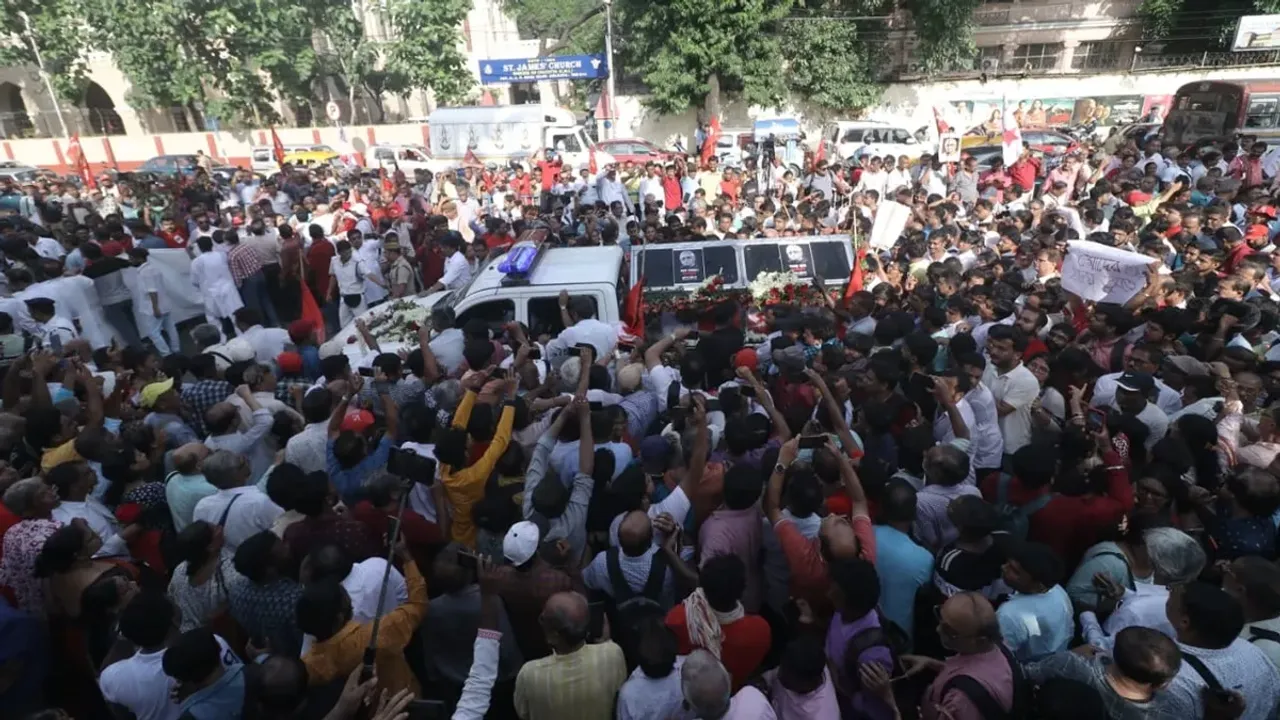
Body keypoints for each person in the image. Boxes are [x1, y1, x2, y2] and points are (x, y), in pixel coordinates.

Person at [1161, 582, 1280, 720]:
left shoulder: (1177, 677)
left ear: (1184, 622)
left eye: (1170, 597)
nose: (1169, 594)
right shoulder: (1253, 651)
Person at [513, 591, 627, 720]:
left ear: (554, 636)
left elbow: (523, 713)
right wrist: (604, 642)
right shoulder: (612, 653)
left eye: (543, 618)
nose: (540, 619)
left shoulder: (530, 673)